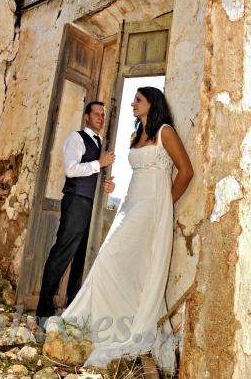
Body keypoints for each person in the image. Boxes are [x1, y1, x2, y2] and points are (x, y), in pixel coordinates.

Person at [47, 87, 194, 373]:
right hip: (130, 203)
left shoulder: (165, 132)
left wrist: (164, 204)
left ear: (152, 103)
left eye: (137, 100)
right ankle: (108, 324)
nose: (132, 103)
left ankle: (124, 329)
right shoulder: (134, 135)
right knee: (113, 261)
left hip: (151, 207)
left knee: (112, 258)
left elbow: (186, 172)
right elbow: (135, 174)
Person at [36, 101, 116, 320]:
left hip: (90, 204)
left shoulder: (99, 143)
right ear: (87, 117)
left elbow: (93, 174)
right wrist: (99, 164)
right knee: (62, 253)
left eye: (103, 114)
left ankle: (72, 310)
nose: (100, 117)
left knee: (80, 258)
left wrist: (107, 184)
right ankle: (43, 311)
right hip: (75, 202)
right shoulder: (76, 138)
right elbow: (72, 171)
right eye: (96, 114)